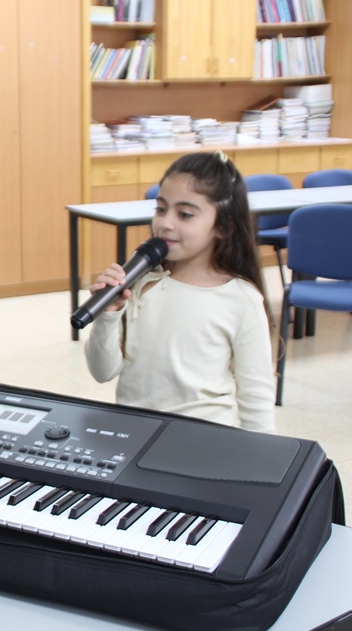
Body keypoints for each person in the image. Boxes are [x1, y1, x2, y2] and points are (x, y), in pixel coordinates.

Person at [84, 151, 276, 433]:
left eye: (185, 214)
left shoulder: (240, 298)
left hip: (202, 436)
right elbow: (103, 372)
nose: (166, 223)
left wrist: (260, 452)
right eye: (161, 209)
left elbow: (256, 394)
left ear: (223, 226)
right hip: (134, 432)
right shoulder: (141, 281)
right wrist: (107, 316)